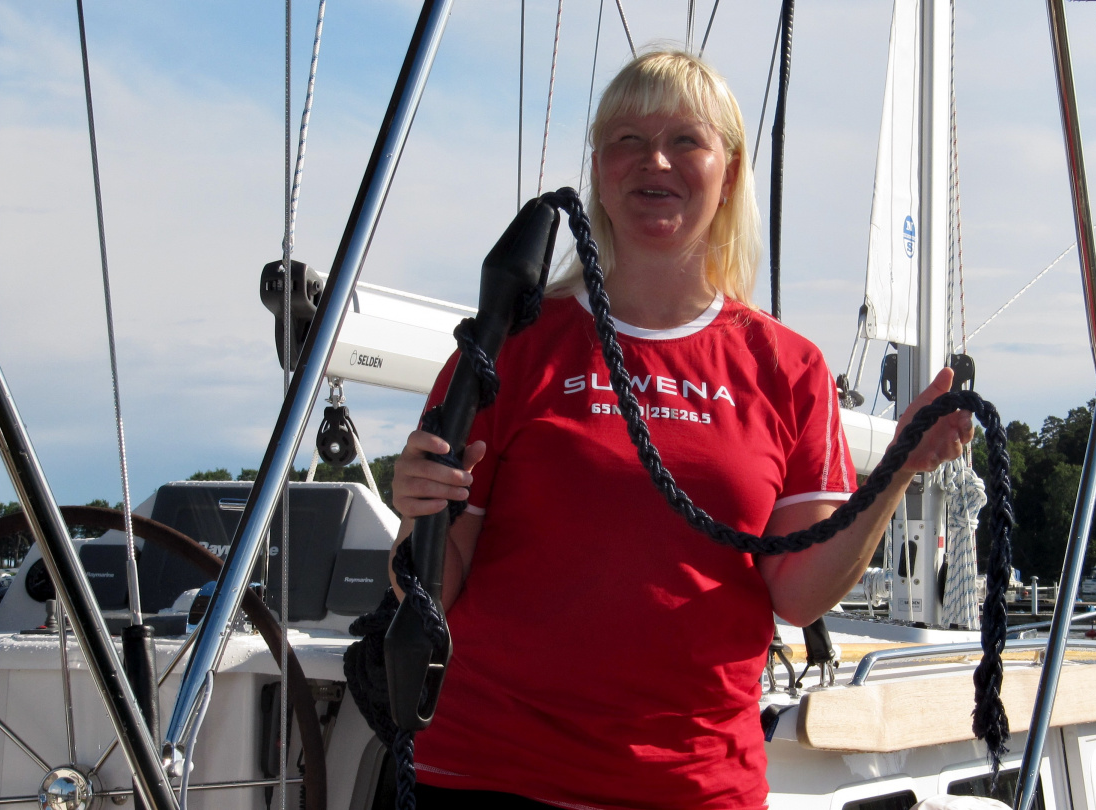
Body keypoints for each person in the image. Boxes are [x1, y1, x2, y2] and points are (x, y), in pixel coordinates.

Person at [390, 49, 972, 810]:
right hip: (494, 773)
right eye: (625, 140)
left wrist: (896, 469)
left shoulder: (789, 368)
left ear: (729, 171)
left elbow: (797, 595)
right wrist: (418, 516)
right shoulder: (511, 346)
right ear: (598, 169)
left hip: (695, 786)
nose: (652, 159)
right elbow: (437, 585)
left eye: (685, 140)